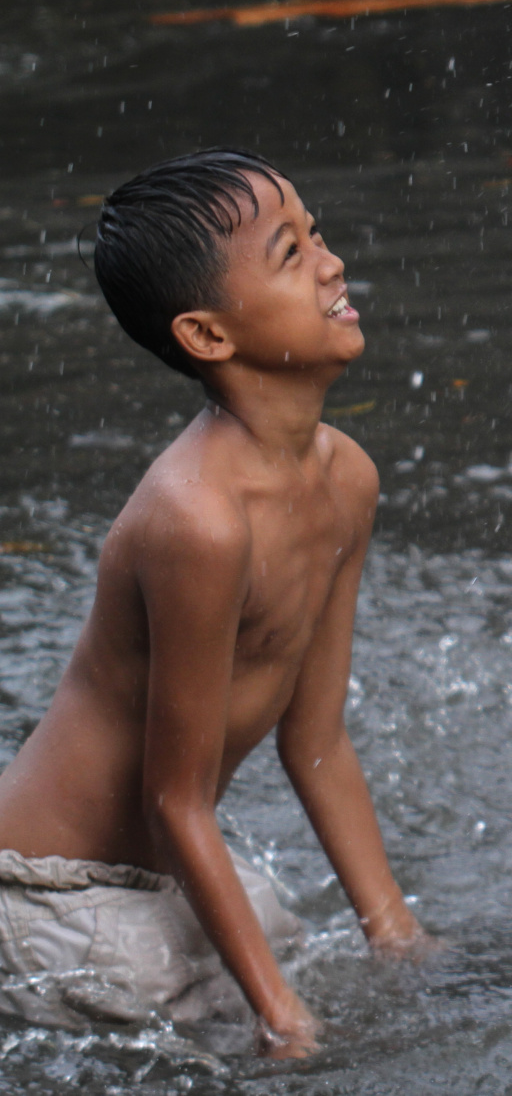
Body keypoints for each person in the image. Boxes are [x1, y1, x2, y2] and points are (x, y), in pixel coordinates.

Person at [0, 150, 432, 1054]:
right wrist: (283, 1017)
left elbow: (315, 739)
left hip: (155, 868)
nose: (332, 263)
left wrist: (396, 932)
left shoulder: (347, 478)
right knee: (238, 1024)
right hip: (45, 883)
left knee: (292, 952)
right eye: (290, 253)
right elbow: (175, 798)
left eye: (317, 233)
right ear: (206, 335)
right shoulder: (199, 521)